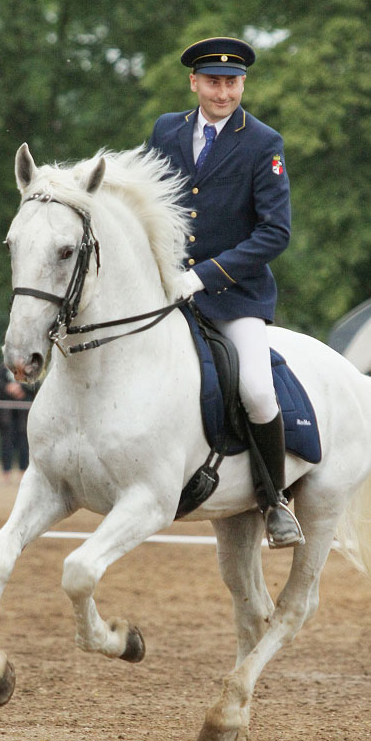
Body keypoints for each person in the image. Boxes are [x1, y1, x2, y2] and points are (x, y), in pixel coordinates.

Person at [149, 36, 303, 549]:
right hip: (168, 287)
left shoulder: (263, 142)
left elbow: (274, 233)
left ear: (243, 84)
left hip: (235, 296)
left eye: (232, 82)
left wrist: (206, 274)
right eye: (213, 81)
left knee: (257, 389)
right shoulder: (166, 130)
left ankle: (274, 498)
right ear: (194, 81)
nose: (223, 91)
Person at [0, 363, 36, 483]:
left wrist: (22, 388)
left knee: (24, 443)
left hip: (24, 413)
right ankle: (6, 474)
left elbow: (36, 385)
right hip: (6, 414)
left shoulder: (30, 369)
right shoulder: (1, 369)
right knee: (6, 442)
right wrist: (8, 388)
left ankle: (23, 474)